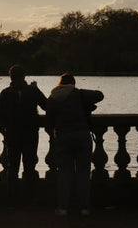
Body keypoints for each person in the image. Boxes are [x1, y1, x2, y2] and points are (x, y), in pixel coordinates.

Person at [44, 74, 103, 216]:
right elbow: (99, 95)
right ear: (73, 83)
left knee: (64, 173)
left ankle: (63, 207)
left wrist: (54, 135)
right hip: (82, 135)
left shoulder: (52, 98)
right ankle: (84, 208)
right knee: (83, 172)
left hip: (63, 136)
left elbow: (48, 122)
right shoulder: (79, 93)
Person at [0, 64, 47, 204]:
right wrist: (36, 88)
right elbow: (47, 106)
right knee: (30, 165)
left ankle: (12, 200)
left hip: (12, 133)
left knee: (13, 166)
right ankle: (29, 198)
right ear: (24, 76)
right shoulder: (32, 91)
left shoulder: (5, 92)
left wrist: (3, 126)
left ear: (10, 76)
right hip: (30, 133)